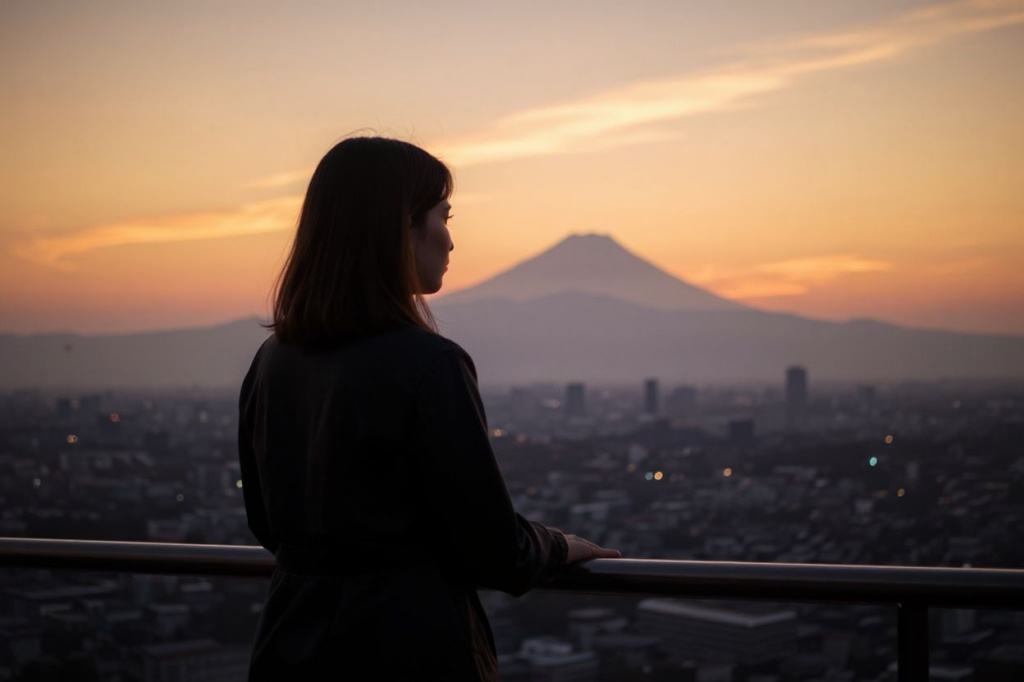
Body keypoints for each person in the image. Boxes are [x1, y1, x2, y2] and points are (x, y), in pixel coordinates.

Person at [238, 136, 620, 681]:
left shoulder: (273, 361)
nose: (451, 240)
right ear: (399, 228)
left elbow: (264, 519)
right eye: (443, 216)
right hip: (408, 646)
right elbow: (493, 549)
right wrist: (559, 547)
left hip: (289, 645)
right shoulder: (428, 364)